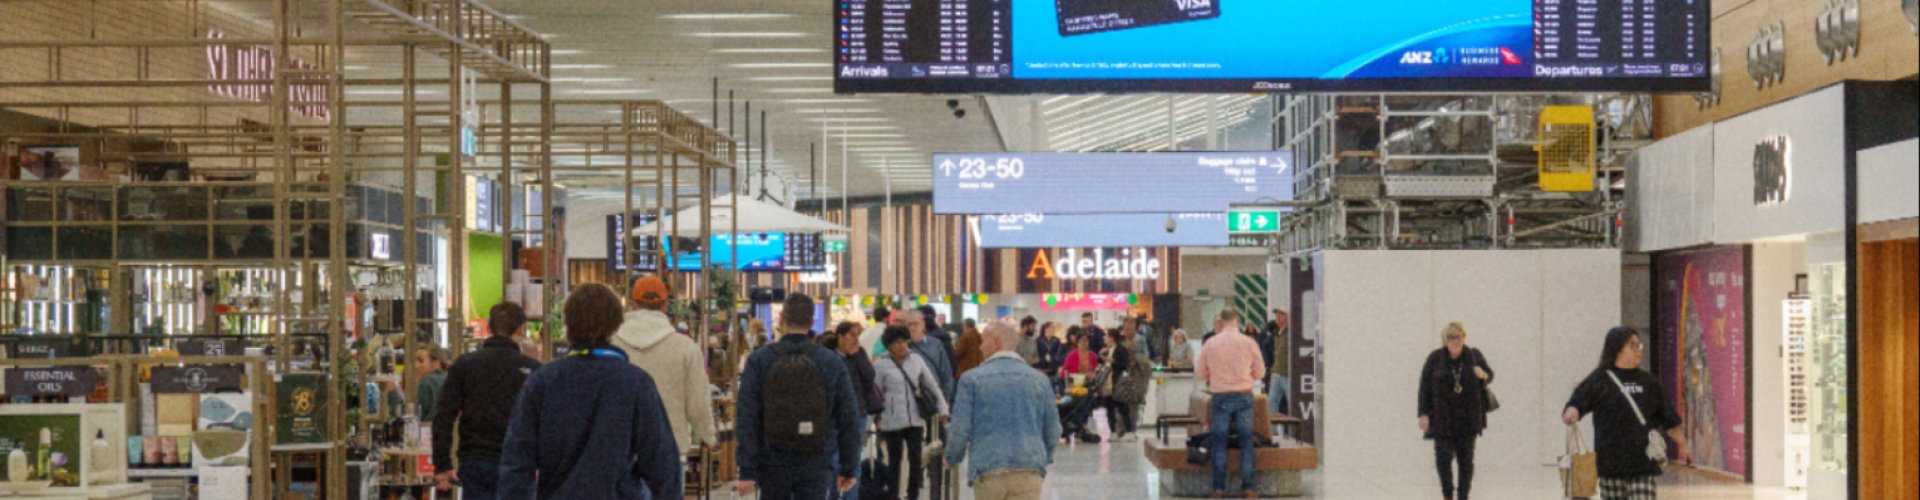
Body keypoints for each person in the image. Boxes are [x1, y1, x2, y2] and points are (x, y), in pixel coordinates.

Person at [498, 283, 681, 499]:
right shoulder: (636, 383)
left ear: (568, 323)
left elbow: (517, 462)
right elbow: (662, 462)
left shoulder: (542, 382)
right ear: (615, 325)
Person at [736, 294, 864, 500]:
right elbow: (849, 417)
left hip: (772, 461)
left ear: (781, 319)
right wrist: (848, 467)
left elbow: (747, 416)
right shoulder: (830, 361)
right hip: (817, 459)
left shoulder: (760, 360)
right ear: (811, 323)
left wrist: (747, 470)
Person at [1562, 327, 1692, 500]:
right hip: (1610, 465)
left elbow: (1668, 417)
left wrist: (1683, 444)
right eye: (1632, 345)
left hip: (1643, 463)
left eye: (1639, 345)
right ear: (1617, 348)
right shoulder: (1599, 380)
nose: (1638, 350)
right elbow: (1577, 401)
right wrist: (1572, 410)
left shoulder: (1649, 382)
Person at [432, 302, 542, 499]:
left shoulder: (465, 364)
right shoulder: (533, 370)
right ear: (520, 329)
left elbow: (444, 416)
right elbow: (544, 422)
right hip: (518, 462)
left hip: (475, 459)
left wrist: (442, 464)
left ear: (489, 327)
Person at [947, 320, 1061, 500]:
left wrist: (952, 457)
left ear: (996, 343)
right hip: (1028, 469)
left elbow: (960, 429)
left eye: (983, 341)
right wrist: (1043, 458)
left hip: (988, 470)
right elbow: (1053, 429)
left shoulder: (971, 380)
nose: (980, 347)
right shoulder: (1040, 380)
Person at [612, 275, 717, 456]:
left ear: (633, 304)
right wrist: (708, 436)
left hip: (621, 450)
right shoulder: (685, 348)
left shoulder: (612, 345)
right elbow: (698, 404)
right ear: (666, 306)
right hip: (669, 449)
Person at [1417, 323, 1495, 500]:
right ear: (1445, 340)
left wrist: (1482, 374)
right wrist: (1423, 414)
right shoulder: (1435, 358)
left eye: (1458, 337)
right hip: (1442, 418)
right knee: (1443, 459)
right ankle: (1447, 495)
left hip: (1468, 418)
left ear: (1464, 337)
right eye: (1451, 337)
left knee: (1465, 461)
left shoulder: (1474, 355)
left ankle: (1463, 496)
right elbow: (1424, 388)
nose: (1455, 341)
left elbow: (1490, 375)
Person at [1195, 308, 1265, 498]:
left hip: (1220, 397)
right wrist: (1245, 376)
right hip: (1244, 395)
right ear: (1237, 320)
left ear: (1221, 321)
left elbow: (1201, 372)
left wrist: (1216, 375)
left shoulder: (1211, 343)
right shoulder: (1249, 342)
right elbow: (1260, 372)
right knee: (1246, 441)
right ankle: (1248, 488)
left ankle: (1218, 488)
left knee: (1219, 441)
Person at [874, 326, 950, 500]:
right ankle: (893, 495)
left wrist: (943, 409)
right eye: (897, 342)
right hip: (891, 420)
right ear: (889, 345)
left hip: (915, 419)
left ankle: (912, 495)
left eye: (905, 341)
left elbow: (932, 385)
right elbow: (875, 394)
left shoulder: (916, 360)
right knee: (894, 462)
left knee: (915, 461)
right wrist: (875, 417)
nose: (902, 345)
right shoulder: (881, 364)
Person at [903, 308, 957, 403]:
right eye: (909, 325)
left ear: (923, 325)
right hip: (908, 401)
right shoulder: (901, 347)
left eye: (916, 324)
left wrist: (946, 399)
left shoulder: (935, 344)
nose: (912, 328)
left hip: (933, 399)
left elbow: (946, 373)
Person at [1105, 332, 1149, 443]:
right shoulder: (1109, 350)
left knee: (1122, 406)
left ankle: (1128, 431)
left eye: (1108, 337)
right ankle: (1113, 431)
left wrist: (1113, 362)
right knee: (1111, 407)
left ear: (1112, 338)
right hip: (1110, 381)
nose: (1106, 339)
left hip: (1119, 381)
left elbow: (1124, 364)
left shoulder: (1120, 350)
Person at [412, 346, 449, 422]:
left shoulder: (426, 383)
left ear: (435, 363)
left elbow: (420, 414)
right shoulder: (450, 378)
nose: (416, 366)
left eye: (421, 361)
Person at [1267, 309, 1292, 413]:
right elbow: (1277, 355)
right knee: (1271, 402)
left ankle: (1294, 423)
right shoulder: (1278, 334)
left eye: (1281, 314)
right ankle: (1274, 424)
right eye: (1276, 314)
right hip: (1277, 373)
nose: (1277, 316)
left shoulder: (1291, 334)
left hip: (1288, 374)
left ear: (1288, 317)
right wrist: (1272, 372)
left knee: (1293, 402)